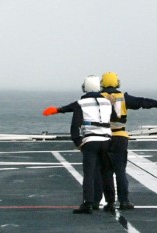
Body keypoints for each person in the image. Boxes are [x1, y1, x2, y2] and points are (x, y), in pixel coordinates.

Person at [44, 72, 157, 212]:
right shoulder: (123, 98)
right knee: (120, 170)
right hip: (119, 137)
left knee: (102, 172)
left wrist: (58, 111)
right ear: (117, 83)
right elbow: (143, 102)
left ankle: (98, 201)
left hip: (103, 137)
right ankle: (124, 201)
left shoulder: (97, 98)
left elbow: (72, 109)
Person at [46, 75, 113, 214]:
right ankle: (108, 201)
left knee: (89, 174)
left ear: (85, 87)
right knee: (105, 172)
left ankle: (88, 203)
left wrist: (78, 142)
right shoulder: (107, 102)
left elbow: (74, 124)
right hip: (107, 141)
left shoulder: (81, 103)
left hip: (90, 142)